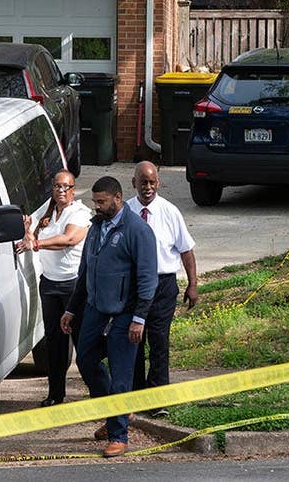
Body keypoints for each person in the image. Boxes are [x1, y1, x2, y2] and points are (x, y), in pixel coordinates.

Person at [60, 176, 157, 458]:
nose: (97, 207)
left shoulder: (137, 231)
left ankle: (118, 434)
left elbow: (148, 278)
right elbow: (85, 272)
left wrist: (139, 318)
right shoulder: (96, 227)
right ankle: (113, 411)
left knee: (121, 374)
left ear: (118, 198)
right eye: (94, 202)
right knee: (86, 359)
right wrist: (71, 309)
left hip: (126, 313)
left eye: (102, 202)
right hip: (95, 307)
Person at [126, 161, 198, 417]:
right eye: (143, 182)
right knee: (133, 341)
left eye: (152, 182)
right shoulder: (125, 212)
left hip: (162, 286)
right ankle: (135, 397)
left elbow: (186, 250)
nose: (148, 187)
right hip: (134, 286)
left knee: (159, 341)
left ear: (158, 183)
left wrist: (192, 285)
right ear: (134, 183)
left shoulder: (170, 212)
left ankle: (158, 400)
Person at [18, 170, 92, 407]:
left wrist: (36, 243)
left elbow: (68, 239)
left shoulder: (79, 212)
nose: (61, 191)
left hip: (73, 284)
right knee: (54, 343)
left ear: (74, 190)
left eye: (66, 187)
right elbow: (30, 231)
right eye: (57, 186)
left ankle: (97, 391)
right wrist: (28, 231)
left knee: (82, 342)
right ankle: (55, 394)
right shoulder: (47, 211)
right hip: (49, 283)